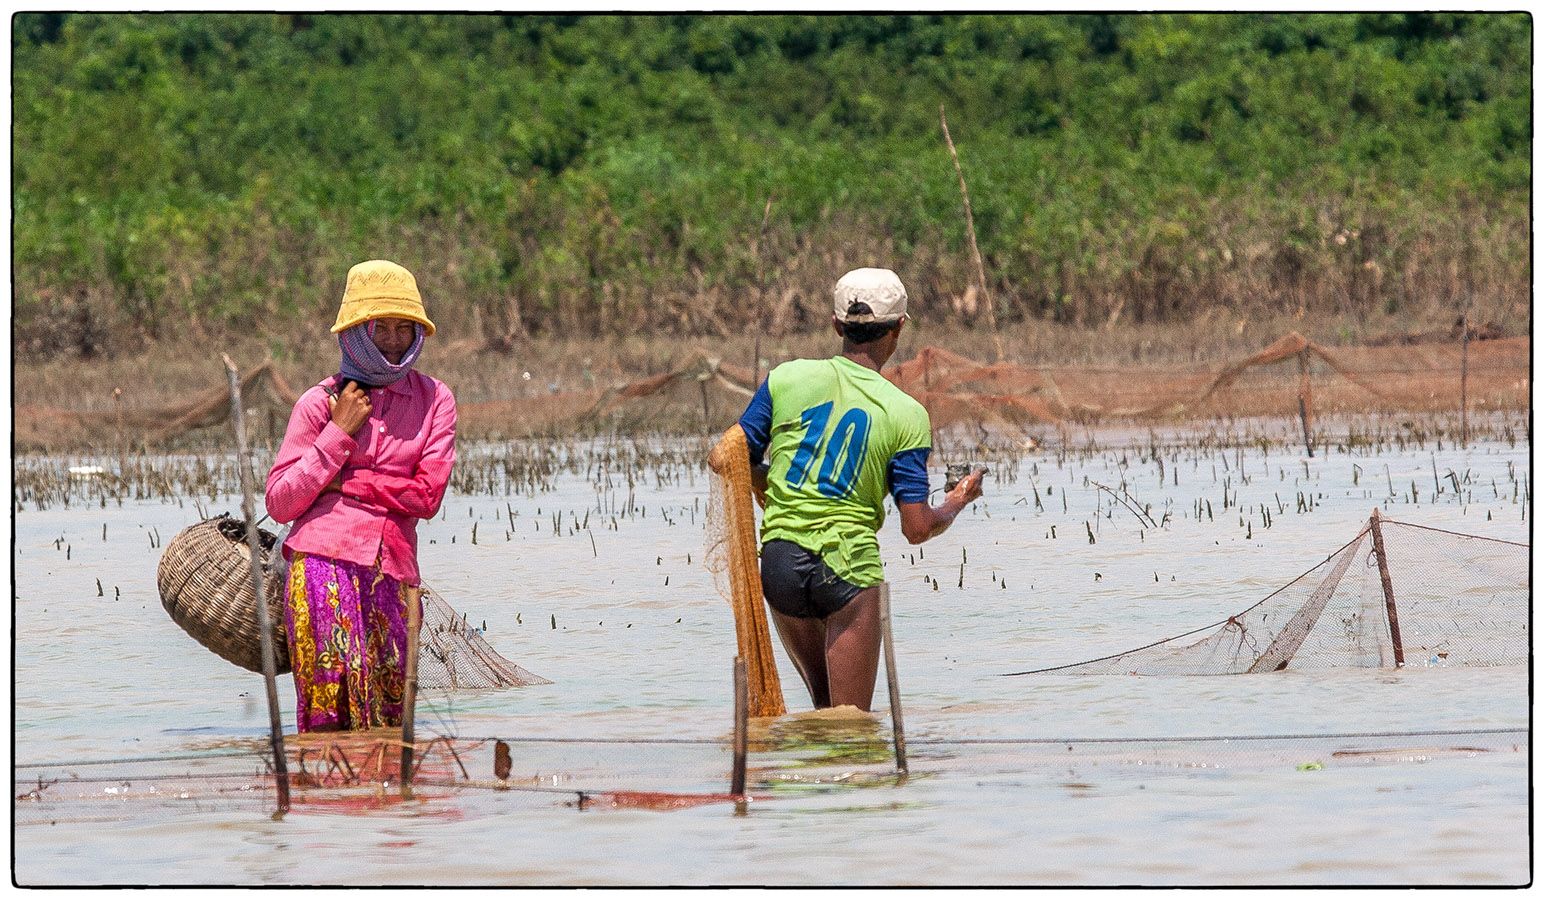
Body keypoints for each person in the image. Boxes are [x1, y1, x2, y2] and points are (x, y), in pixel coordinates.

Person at [737, 267, 985, 711]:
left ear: (836, 326)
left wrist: (767, 487)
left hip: (779, 567)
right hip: (847, 570)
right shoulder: (905, 413)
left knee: (821, 711)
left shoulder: (785, 378)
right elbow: (916, 527)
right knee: (850, 724)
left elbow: (735, 453)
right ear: (900, 328)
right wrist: (957, 500)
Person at [264, 259, 457, 732]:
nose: (393, 341)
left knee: (392, 717)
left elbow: (427, 496)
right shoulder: (319, 403)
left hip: (393, 569)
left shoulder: (436, 401)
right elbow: (281, 502)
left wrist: (345, 483)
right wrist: (337, 433)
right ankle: (328, 804)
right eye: (379, 328)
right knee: (330, 714)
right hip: (321, 564)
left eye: (403, 328)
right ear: (354, 332)